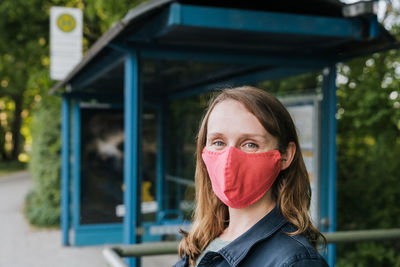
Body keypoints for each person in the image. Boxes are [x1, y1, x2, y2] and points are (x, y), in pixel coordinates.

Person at [173, 86, 328, 267]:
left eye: (250, 144)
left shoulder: (295, 261)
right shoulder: (203, 239)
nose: (230, 158)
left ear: (285, 156)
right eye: (218, 142)